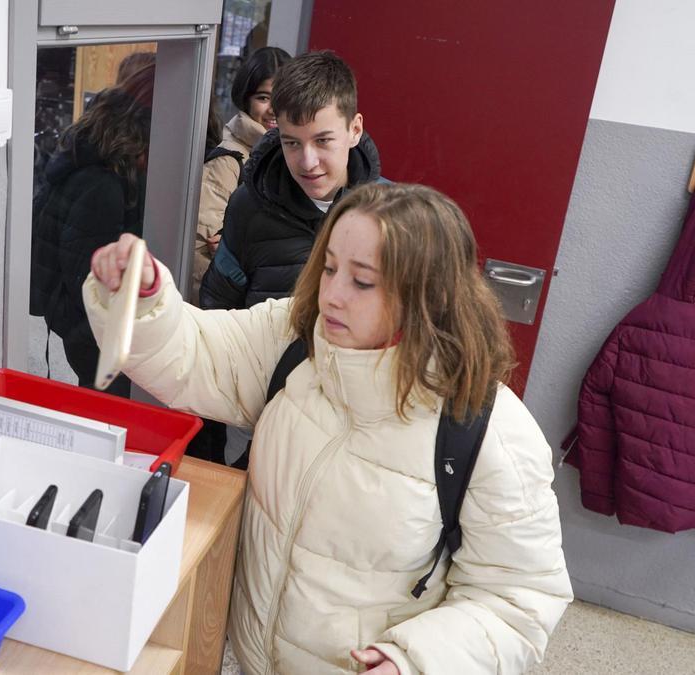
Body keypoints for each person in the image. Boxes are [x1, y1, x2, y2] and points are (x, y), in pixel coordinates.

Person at [85, 183, 572, 674]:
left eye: (363, 282)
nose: (332, 295)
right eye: (331, 267)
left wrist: (416, 662)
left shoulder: (491, 432)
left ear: (429, 296)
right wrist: (143, 297)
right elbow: (193, 353)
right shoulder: (296, 341)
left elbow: (518, 599)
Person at [199, 50, 382, 311]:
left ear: (355, 130)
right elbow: (216, 313)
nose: (308, 162)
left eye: (322, 141)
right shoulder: (247, 206)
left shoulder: (391, 213)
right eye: (292, 143)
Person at [30, 63, 155, 396]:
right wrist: (95, 336)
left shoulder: (85, 164)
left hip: (79, 328)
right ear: (137, 139)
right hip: (91, 336)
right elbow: (85, 280)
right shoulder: (103, 187)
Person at [192, 46, 291, 302]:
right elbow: (200, 256)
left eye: (284, 97)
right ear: (245, 98)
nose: (274, 109)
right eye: (264, 97)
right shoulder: (229, 161)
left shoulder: (295, 157)